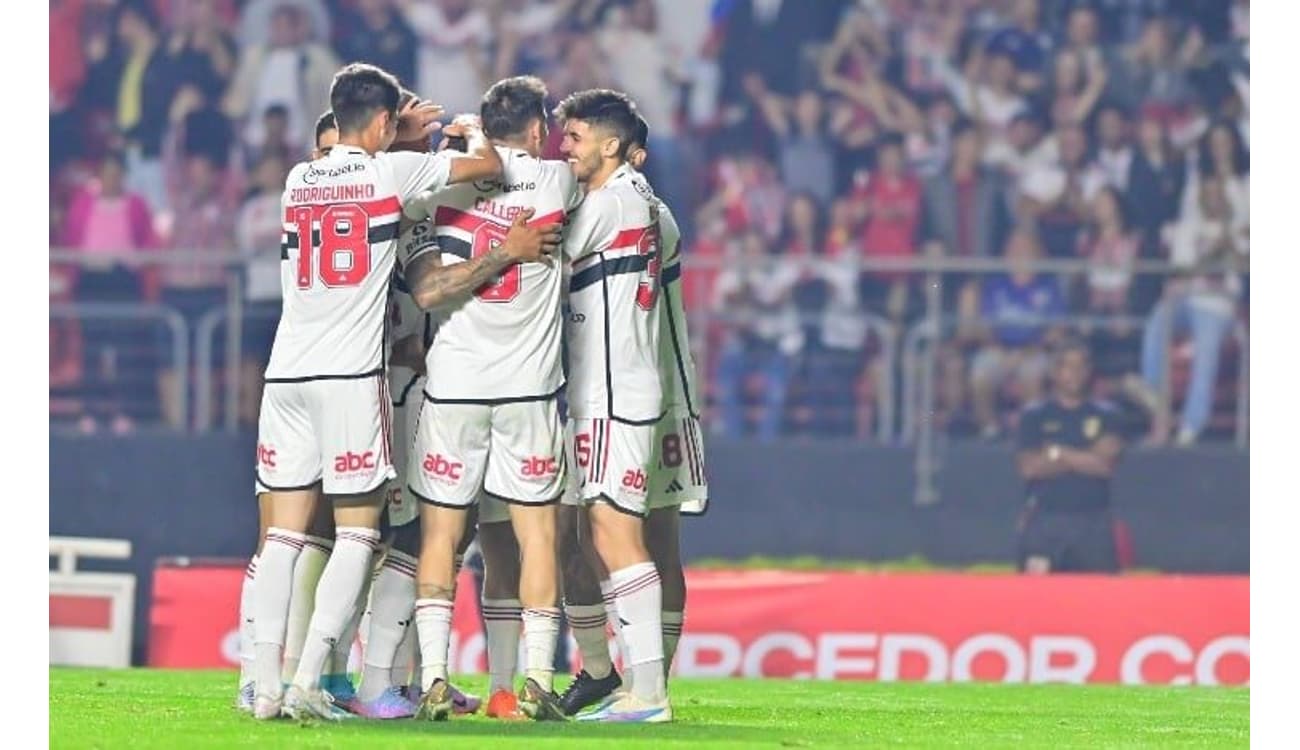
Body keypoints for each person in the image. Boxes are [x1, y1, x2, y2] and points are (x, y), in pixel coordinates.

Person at [249, 62, 525, 722]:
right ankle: (311, 679)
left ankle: (263, 686)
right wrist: (457, 130)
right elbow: (486, 167)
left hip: (286, 372)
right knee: (358, 532)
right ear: (382, 123)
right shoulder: (390, 173)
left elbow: (354, 147)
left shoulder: (296, 180)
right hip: (349, 374)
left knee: (282, 540)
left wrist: (384, 127)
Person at [397, 75, 574, 723]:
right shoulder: (555, 182)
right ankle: (533, 682)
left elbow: (429, 291)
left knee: (440, 535)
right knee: (536, 539)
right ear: (536, 130)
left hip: (454, 390)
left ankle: (437, 679)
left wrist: (463, 134)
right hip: (527, 391)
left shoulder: (443, 188)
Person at [558, 114, 707, 718]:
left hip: (619, 393)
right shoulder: (651, 207)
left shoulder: (612, 202)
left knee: (620, 533)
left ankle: (647, 691)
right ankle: (612, 678)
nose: (563, 148)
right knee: (583, 533)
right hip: (614, 389)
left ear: (614, 146)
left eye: (575, 137)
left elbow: (542, 252)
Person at [1016, 340, 1123, 574]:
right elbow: (1030, 468)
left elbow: (1105, 466)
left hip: (1093, 522)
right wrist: (1087, 455)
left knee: (1102, 600)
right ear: (1054, 372)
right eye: (1067, 367)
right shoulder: (1034, 416)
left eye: (1080, 367)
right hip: (1045, 520)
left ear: (1089, 371)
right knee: (1034, 602)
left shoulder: (1108, 415)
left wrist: (1058, 453)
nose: (1074, 374)